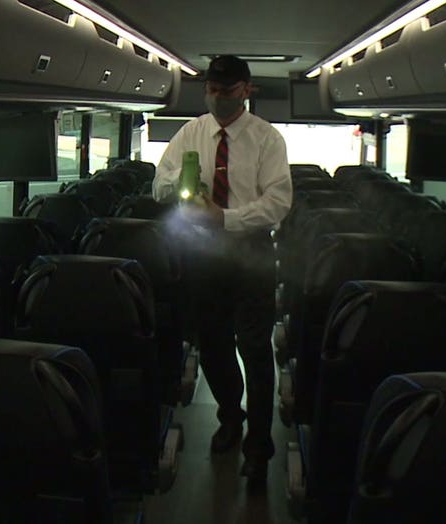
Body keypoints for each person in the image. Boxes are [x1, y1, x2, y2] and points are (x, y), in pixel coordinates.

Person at [152, 55, 292, 487]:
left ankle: (258, 447)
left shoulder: (266, 138)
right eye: (212, 90)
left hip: (250, 252)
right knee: (211, 344)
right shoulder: (191, 132)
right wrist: (182, 185)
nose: (218, 98)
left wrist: (225, 218)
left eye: (227, 92)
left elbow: (278, 203)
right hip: (203, 253)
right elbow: (157, 186)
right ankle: (231, 415)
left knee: (254, 348)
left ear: (246, 91)